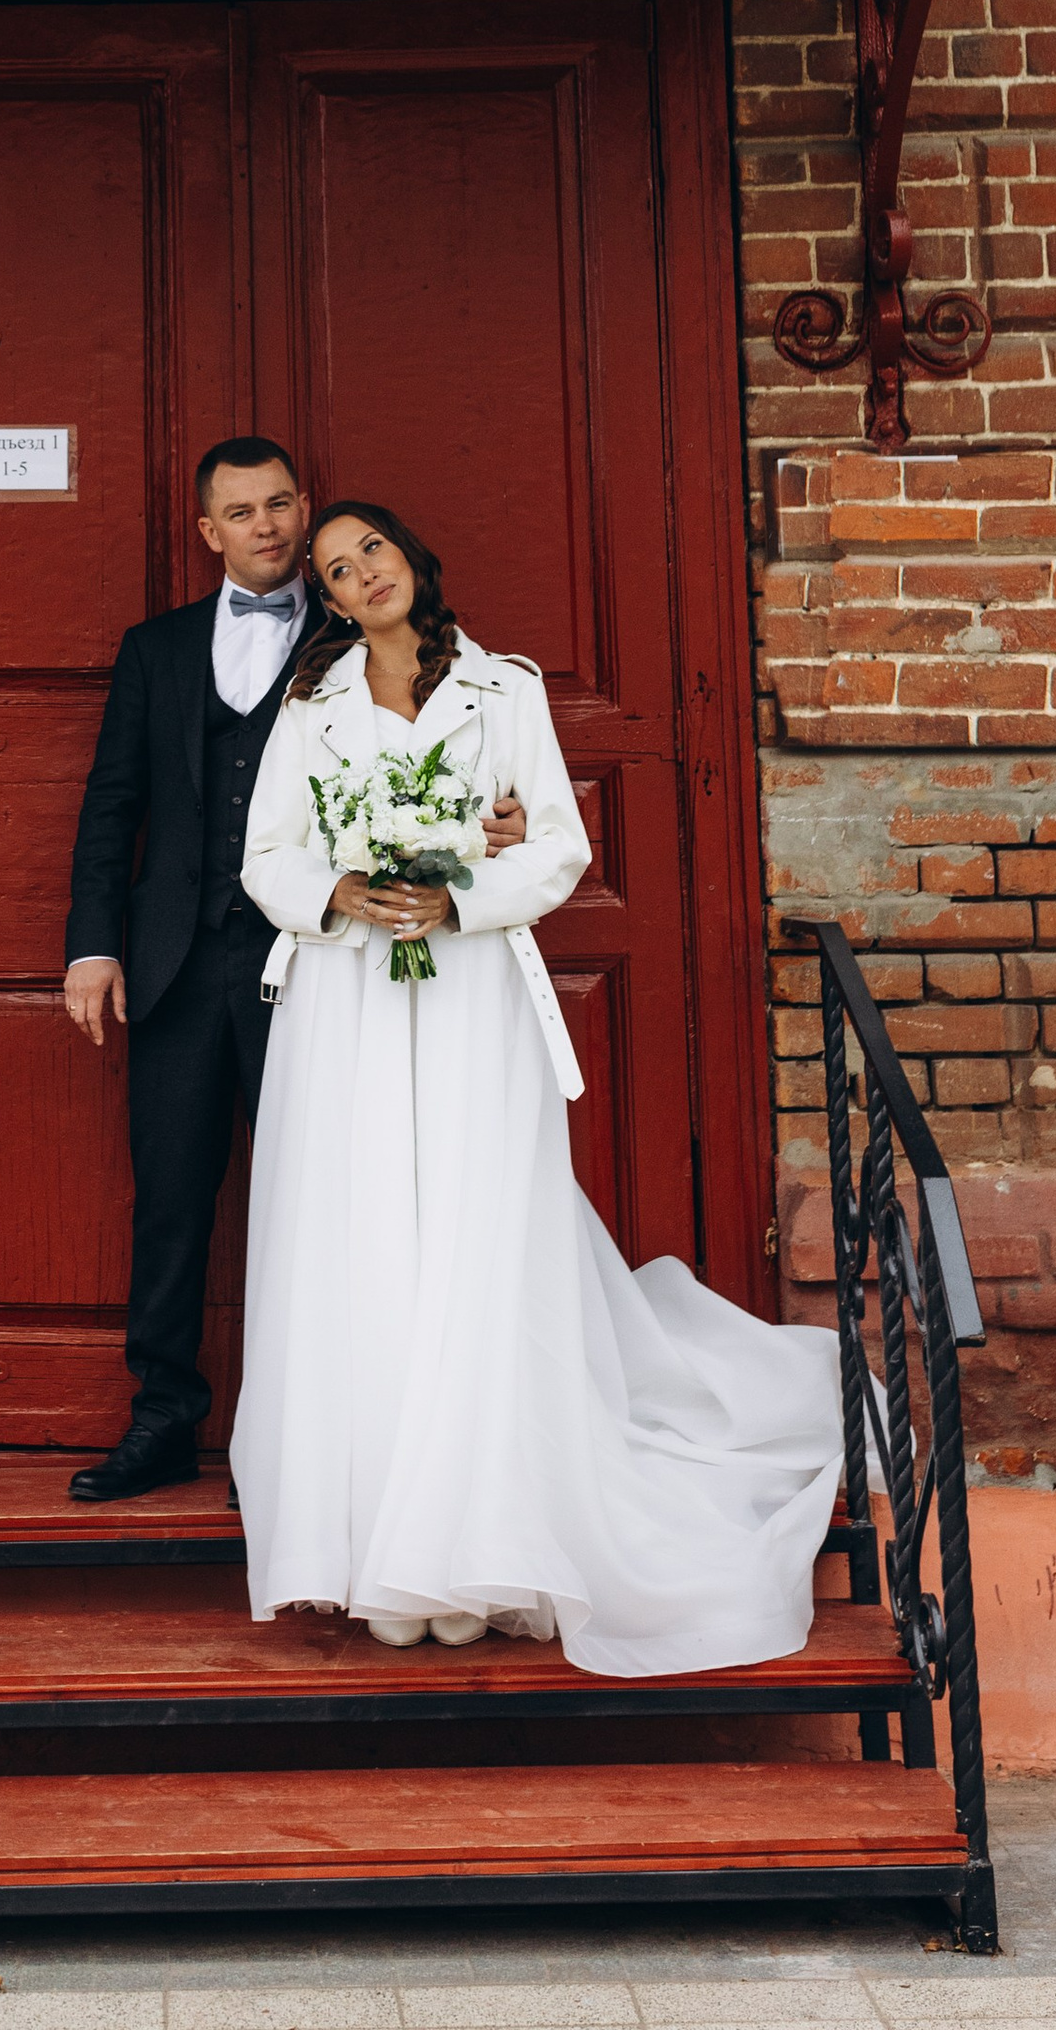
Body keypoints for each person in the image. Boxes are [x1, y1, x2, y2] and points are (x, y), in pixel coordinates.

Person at [232, 497, 846, 1674]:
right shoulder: (310, 708)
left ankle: (478, 1540)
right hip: (346, 1000)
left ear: (413, 556)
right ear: (323, 599)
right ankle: (369, 1544)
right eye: (333, 570)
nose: (361, 575)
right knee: (360, 1241)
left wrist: (461, 896)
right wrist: (341, 893)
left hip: (469, 993)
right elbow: (268, 853)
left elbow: (558, 845)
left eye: (371, 550)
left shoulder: (502, 690)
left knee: (473, 1237)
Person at [59, 437, 525, 1502]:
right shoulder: (155, 649)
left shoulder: (360, 632)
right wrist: (94, 945)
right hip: (175, 962)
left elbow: (451, 750)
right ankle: (163, 1423)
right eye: (242, 511)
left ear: (301, 507)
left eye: (280, 505)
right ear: (206, 530)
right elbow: (113, 805)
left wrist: (488, 824)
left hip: (325, 964)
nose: (266, 527)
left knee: (326, 1205)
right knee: (169, 1202)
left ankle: (303, 1440)